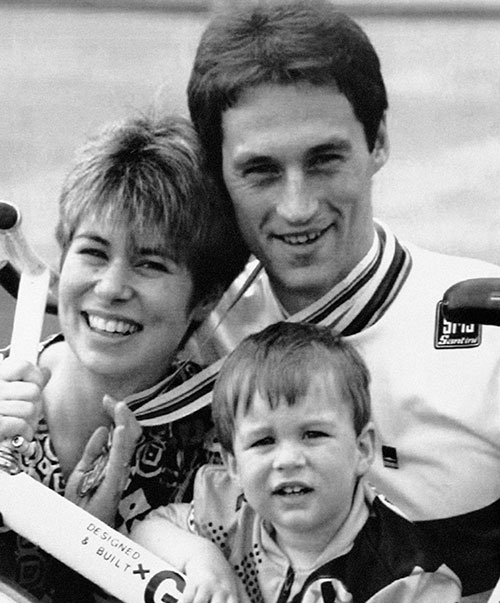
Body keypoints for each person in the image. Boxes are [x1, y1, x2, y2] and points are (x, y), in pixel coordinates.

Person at [135, 1, 500, 600]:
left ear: (378, 142)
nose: (298, 206)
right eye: (260, 171)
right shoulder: (185, 337)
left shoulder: (485, 329)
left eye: (325, 159)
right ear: (216, 173)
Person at [0, 113, 248, 602]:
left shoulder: (227, 450)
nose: (111, 288)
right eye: (93, 252)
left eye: (150, 264)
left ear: (204, 298)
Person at [131, 321, 462, 603]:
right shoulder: (232, 509)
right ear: (233, 464)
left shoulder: (406, 579)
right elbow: (147, 530)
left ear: (362, 449)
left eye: (313, 434)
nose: (288, 460)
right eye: (263, 441)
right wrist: (202, 558)